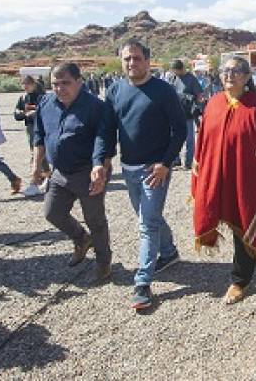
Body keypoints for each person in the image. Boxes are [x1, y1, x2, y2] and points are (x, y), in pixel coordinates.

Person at [191, 56, 256, 304]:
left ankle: (240, 279)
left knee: (244, 223)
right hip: (216, 178)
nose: (229, 75)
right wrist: (200, 174)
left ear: (247, 77)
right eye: (225, 71)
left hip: (246, 181)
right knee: (214, 210)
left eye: (236, 71)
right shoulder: (213, 104)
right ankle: (245, 268)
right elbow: (202, 143)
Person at [105, 39, 187, 309]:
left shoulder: (163, 91)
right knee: (147, 216)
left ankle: (142, 283)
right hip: (128, 168)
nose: (132, 63)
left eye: (137, 58)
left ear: (148, 61)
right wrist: (103, 160)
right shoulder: (115, 90)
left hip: (155, 169)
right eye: (127, 59)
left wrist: (166, 163)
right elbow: (109, 130)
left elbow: (180, 131)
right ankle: (170, 252)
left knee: (146, 225)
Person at [33, 62, 114, 281]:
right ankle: (81, 238)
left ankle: (103, 262)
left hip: (88, 171)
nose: (60, 88)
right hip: (60, 173)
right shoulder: (46, 103)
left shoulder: (96, 106)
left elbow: (104, 140)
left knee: (95, 220)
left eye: (65, 83)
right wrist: (36, 166)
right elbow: (40, 136)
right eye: (55, 84)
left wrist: (100, 168)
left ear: (79, 81)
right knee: (52, 213)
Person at [15, 75, 51, 196]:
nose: (25, 86)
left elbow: (46, 110)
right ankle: (46, 175)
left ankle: (41, 177)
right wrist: (24, 114)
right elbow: (16, 114)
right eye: (23, 84)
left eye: (27, 84)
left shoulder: (41, 96)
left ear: (33, 84)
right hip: (30, 127)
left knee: (39, 152)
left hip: (41, 127)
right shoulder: (23, 98)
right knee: (34, 152)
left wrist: (34, 113)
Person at [168, 59, 204, 169]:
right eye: (173, 71)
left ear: (181, 69)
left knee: (189, 139)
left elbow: (199, 95)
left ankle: (188, 162)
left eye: (176, 71)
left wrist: (198, 106)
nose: (175, 73)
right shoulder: (173, 78)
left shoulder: (191, 79)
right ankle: (175, 160)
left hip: (188, 113)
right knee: (174, 137)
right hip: (174, 113)